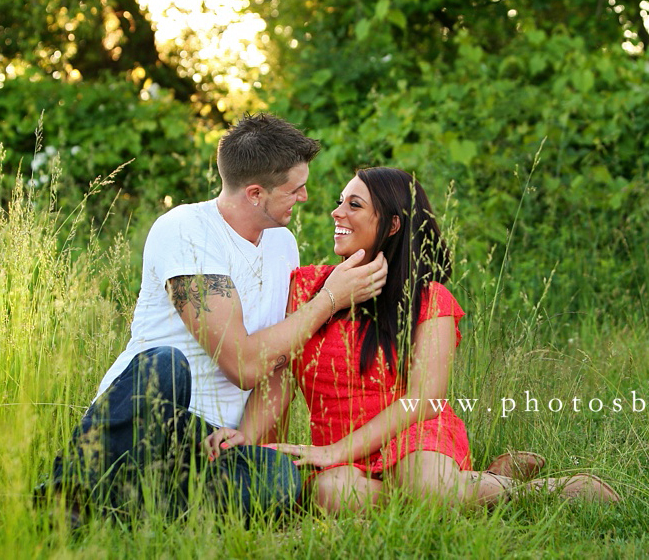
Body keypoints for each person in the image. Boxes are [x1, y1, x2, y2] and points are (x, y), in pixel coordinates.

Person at [37, 114, 388, 523]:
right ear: (256, 193)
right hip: (149, 425)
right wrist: (329, 299)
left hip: (215, 446)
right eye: (295, 188)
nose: (306, 197)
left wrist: (248, 440)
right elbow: (243, 364)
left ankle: (132, 509)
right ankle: (67, 493)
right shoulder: (186, 231)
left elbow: (280, 363)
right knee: (165, 365)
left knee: (278, 483)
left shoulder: (282, 244)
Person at [209, 167, 619, 513]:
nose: (336, 212)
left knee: (427, 487)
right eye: (340, 200)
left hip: (413, 434)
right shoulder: (306, 289)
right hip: (336, 445)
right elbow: (277, 378)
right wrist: (248, 434)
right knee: (330, 495)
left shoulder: (428, 298)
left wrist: (336, 453)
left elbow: (425, 397)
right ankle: (487, 481)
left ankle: (550, 491)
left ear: (391, 224)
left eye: (354, 205)